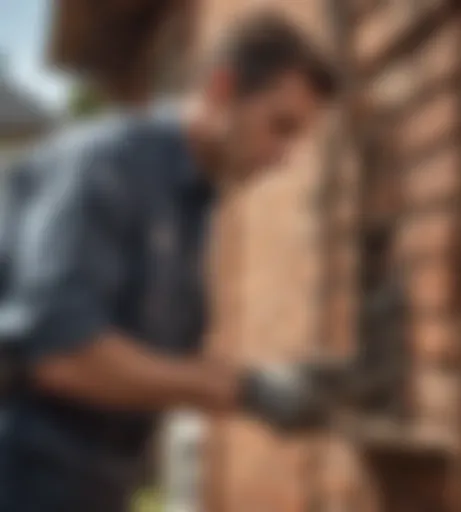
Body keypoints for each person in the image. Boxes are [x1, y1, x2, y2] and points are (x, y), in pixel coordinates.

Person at [0, 13, 342, 512]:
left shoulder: (194, 202)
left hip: (99, 485)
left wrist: (271, 380)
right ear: (223, 89)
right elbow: (64, 355)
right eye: (280, 127)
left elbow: (153, 357)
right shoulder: (110, 165)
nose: (282, 157)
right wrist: (241, 389)